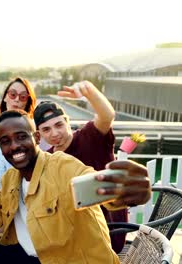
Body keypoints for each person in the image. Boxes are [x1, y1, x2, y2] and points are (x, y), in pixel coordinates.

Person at [0, 110, 151, 263]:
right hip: (30, 253)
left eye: (21, 137)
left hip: (69, 259)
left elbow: (96, 187)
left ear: (36, 138)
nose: (14, 146)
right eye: (6, 141)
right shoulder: (11, 179)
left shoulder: (62, 166)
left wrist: (124, 189)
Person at [33, 80, 128, 252]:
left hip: (108, 232)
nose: (54, 133)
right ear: (39, 135)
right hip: (75, 233)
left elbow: (107, 116)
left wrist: (89, 92)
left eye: (59, 125)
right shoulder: (49, 160)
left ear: (68, 122)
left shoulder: (90, 137)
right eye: (46, 130)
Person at [0, 77, 37, 200]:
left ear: (27, 102)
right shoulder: (1, 129)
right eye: (12, 94)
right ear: (5, 97)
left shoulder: (34, 130)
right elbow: (1, 171)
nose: (16, 100)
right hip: (10, 193)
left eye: (23, 97)